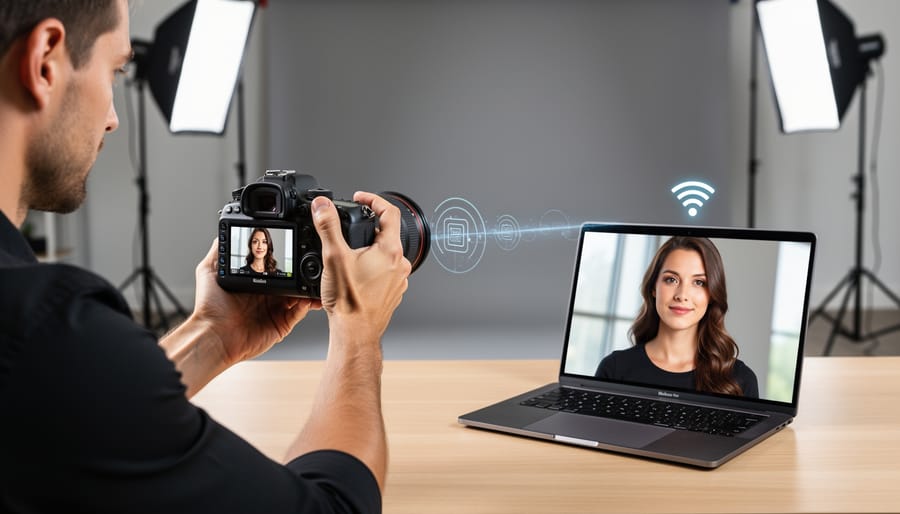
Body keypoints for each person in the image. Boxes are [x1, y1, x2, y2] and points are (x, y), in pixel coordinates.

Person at [0, 1, 410, 512]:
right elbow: (335, 506)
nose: (112, 119)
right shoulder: (44, 333)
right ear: (45, 62)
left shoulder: (39, 352)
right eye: (114, 71)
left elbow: (72, 420)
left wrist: (213, 334)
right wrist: (358, 335)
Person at [595, 236, 759, 398]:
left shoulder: (740, 380)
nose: (682, 295)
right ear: (653, 287)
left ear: (711, 295)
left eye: (699, 282)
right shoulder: (614, 369)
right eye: (671, 280)